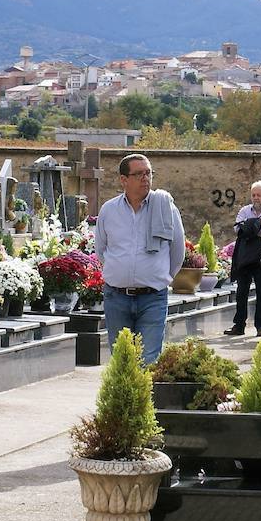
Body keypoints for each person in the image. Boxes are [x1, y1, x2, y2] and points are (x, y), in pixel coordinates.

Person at [94, 153, 184, 365]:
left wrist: (160, 276)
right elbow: (101, 249)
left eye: (148, 173)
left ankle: (144, 399)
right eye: (139, 174)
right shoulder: (109, 210)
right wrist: (120, 272)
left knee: (148, 360)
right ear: (123, 180)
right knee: (121, 361)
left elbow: (177, 251)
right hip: (117, 297)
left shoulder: (165, 208)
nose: (146, 178)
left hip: (152, 297)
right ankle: (123, 400)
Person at [225, 181, 261, 337]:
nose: (255, 198)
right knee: (241, 292)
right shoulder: (244, 210)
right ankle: (239, 325)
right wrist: (256, 224)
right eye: (253, 195)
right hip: (245, 256)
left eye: (259, 195)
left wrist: (249, 227)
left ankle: (260, 327)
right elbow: (238, 229)